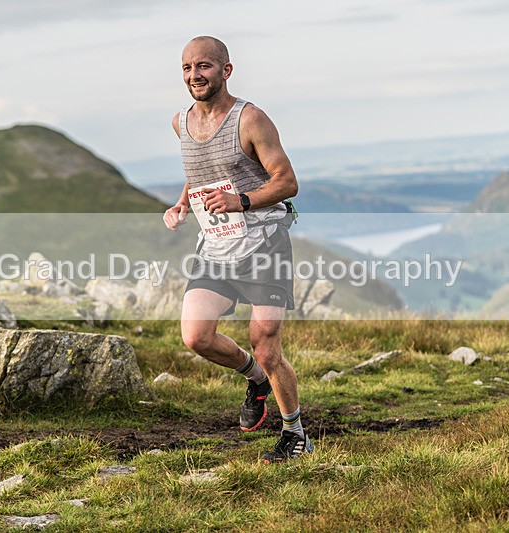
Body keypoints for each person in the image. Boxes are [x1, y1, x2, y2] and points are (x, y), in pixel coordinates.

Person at [162, 35, 313, 462]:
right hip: (216, 246)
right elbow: (202, 170)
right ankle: (255, 378)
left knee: (266, 345)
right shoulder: (180, 122)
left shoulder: (251, 119)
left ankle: (295, 433)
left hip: (264, 243)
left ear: (225, 71)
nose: (195, 75)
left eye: (204, 66)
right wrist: (182, 203)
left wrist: (240, 201)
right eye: (188, 67)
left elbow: (287, 182)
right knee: (196, 337)